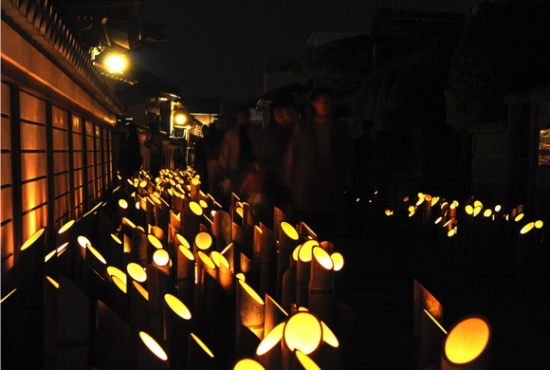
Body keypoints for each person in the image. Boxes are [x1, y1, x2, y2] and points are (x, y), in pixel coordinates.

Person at [285, 87, 353, 237]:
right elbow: (293, 155)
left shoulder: (338, 127)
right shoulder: (303, 126)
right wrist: (291, 181)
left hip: (330, 182)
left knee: (328, 228)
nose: (327, 105)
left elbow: (346, 154)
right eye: (324, 101)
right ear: (315, 103)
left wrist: (347, 175)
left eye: (329, 102)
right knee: (308, 227)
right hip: (307, 183)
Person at [257, 96, 299, 219]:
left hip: (291, 181)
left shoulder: (297, 132)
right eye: (288, 112)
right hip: (273, 181)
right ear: (278, 114)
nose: (292, 116)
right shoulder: (269, 134)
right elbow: (262, 158)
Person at [218, 103, 256, 202]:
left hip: (250, 165)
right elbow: (225, 150)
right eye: (241, 115)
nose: (243, 117)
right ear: (238, 116)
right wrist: (224, 165)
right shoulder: (231, 133)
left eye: (245, 115)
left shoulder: (255, 132)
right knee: (234, 193)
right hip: (235, 166)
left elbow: (259, 148)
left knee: (248, 192)